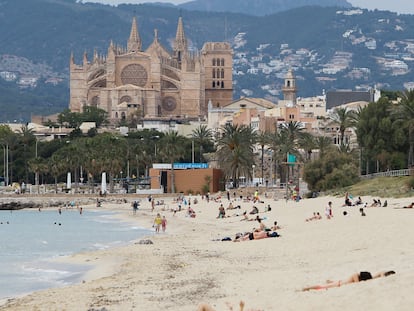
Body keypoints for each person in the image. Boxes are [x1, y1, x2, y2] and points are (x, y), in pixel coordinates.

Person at [302, 270, 395, 291]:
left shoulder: (367, 279)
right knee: (320, 287)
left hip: (341, 282)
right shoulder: (355, 276)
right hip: (338, 284)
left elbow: (379, 273)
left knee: (324, 285)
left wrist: (384, 275)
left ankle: (329, 281)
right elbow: (356, 275)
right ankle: (305, 288)